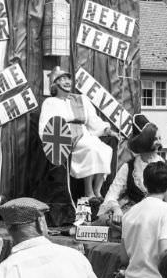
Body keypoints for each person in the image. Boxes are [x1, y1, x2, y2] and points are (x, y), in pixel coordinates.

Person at [39, 66, 117, 198]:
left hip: (85, 133)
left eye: (68, 78)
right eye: (62, 79)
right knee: (91, 149)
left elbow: (93, 120)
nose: (67, 81)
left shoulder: (81, 99)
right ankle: (88, 191)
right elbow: (46, 125)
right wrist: (52, 142)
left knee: (105, 149)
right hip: (67, 136)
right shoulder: (50, 102)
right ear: (55, 84)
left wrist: (107, 130)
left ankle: (97, 190)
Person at [98, 114, 167, 223]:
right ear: (144, 141)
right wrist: (116, 209)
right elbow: (111, 196)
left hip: (158, 220)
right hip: (133, 219)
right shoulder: (129, 167)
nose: (159, 143)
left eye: (160, 138)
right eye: (155, 139)